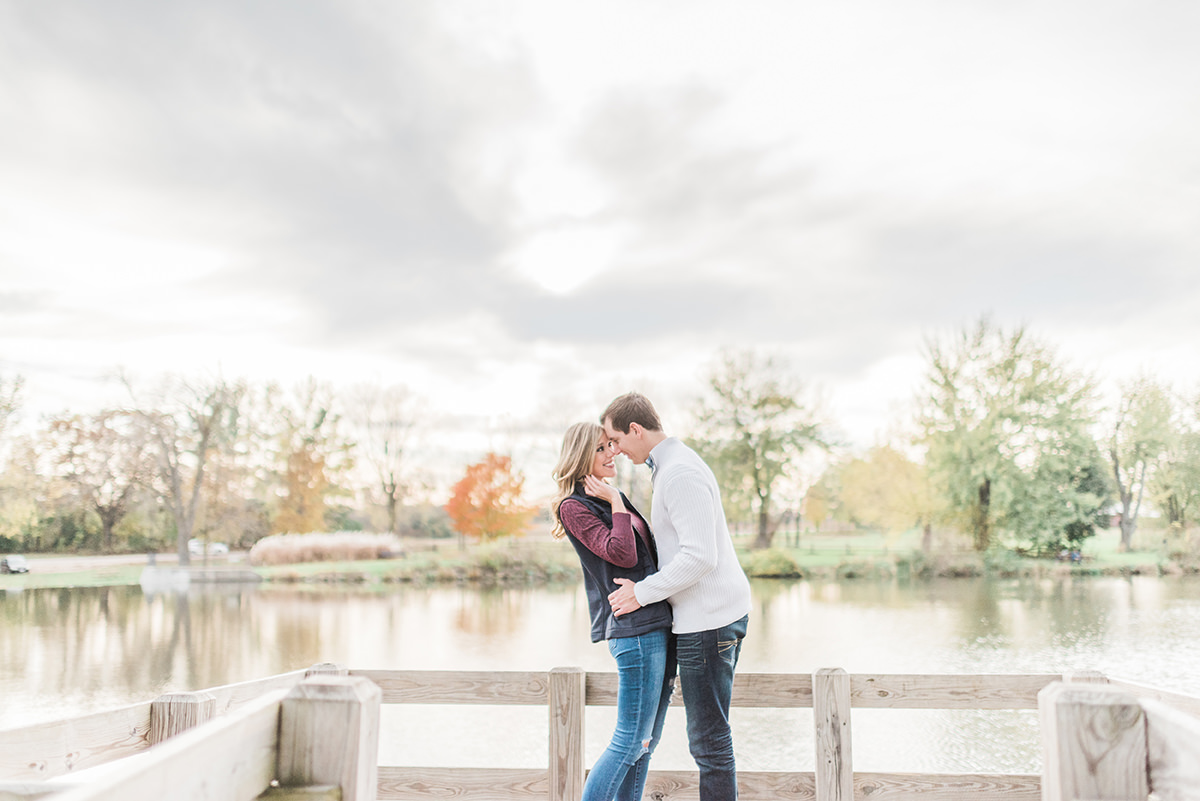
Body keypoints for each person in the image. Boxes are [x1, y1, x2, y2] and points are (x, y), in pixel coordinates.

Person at [601, 393, 752, 801]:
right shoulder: (672, 465)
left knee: (709, 742)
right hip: (713, 616)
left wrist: (642, 593)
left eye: (616, 439)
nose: (614, 450)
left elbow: (700, 556)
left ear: (636, 429)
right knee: (710, 740)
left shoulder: (679, 472)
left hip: (708, 621)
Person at [551, 421, 676, 801]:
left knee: (645, 743)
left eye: (612, 445)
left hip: (656, 624)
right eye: (602, 448)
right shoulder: (574, 506)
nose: (613, 454)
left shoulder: (606, 497)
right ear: (581, 455)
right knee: (629, 740)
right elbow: (621, 553)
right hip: (635, 633)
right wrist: (619, 503)